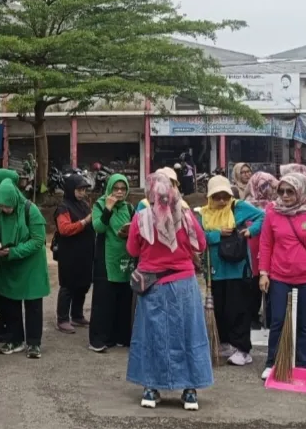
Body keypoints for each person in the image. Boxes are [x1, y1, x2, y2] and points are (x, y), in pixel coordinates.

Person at [126, 172, 211, 411]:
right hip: (184, 284)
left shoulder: (141, 218)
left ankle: (151, 389)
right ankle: (190, 390)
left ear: (150, 194)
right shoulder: (186, 216)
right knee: (188, 334)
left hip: (153, 284)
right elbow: (201, 245)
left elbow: (132, 250)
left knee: (152, 335)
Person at [257, 172, 306, 380]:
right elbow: (266, 244)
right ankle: (272, 362)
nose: (285, 195)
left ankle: (300, 364)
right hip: (279, 276)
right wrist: (264, 273)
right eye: (281, 191)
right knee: (278, 320)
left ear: (300, 191)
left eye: (290, 191)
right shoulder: (273, 213)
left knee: (304, 324)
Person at [198, 175, 265, 366]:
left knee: (239, 309)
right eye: (216, 197)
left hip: (238, 268)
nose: (221, 201)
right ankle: (225, 344)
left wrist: (251, 231)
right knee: (220, 309)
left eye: (225, 196)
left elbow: (263, 216)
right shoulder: (203, 213)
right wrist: (217, 234)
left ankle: (243, 349)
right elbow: (199, 236)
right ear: (209, 197)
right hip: (215, 269)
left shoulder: (239, 207)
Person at [0, 179, 49, 359]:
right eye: (1, 206)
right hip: (8, 264)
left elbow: (38, 240)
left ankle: (34, 343)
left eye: (7, 206)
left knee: (33, 305)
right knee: (10, 303)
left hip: (31, 265)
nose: (4, 209)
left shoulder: (30, 210)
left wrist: (14, 251)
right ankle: (15, 339)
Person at [89, 173, 135, 352]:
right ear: (109, 189)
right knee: (104, 300)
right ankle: (99, 339)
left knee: (123, 298)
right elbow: (98, 227)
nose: (119, 192)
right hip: (106, 259)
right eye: (116, 188)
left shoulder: (129, 208)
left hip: (125, 258)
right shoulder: (100, 205)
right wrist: (108, 208)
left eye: (123, 189)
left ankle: (120, 336)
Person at [54, 174, 94, 334]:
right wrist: (85, 222)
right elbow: (64, 229)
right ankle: (62, 319)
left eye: (84, 190)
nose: (82, 193)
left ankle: (77, 315)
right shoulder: (63, 207)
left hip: (85, 252)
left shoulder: (84, 204)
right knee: (68, 286)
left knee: (83, 284)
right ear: (70, 189)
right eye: (79, 190)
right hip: (69, 254)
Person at [245, 171, 279, 328]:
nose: (267, 189)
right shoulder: (246, 205)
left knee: (271, 286)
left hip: (271, 250)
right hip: (251, 251)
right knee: (253, 287)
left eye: (270, 185)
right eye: (263, 185)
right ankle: (253, 317)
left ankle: (270, 319)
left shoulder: (278, 205)